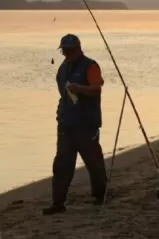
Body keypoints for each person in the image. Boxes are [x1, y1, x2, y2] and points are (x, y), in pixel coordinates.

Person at [43, 34, 107, 215]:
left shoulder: (90, 65)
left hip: (87, 124)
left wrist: (81, 89)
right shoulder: (62, 68)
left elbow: (97, 88)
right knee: (62, 163)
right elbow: (62, 94)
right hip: (66, 123)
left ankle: (101, 195)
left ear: (78, 49)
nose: (66, 53)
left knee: (93, 162)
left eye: (69, 50)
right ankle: (58, 203)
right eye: (64, 50)